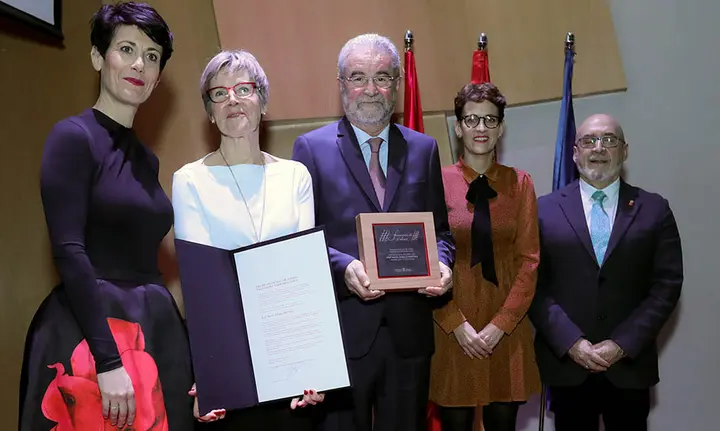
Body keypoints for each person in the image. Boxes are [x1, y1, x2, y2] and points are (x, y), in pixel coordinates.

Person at [18, 3, 194, 430]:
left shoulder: (147, 160)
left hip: (154, 325)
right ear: (99, 58)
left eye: (152, 56)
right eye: (127, 49)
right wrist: (108, 360)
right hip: (93, 336)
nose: (140, 64)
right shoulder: (72, 137)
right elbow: (69, 250)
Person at [291, 33, 456, 431]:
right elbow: (301, 240)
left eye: (382, 77)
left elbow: (442, 233)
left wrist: (445, 265)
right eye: (358, 77)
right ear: (341, 84)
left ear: (397, 85)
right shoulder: (310, 149)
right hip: (343, 334)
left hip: (409, 334)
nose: (370, 89)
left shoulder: (424, 149)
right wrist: (344, 267)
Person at [171, 49, 324, 430]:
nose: (233, 99)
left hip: (291, 363)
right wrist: (211, 373)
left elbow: (306, 276)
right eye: (219, 93)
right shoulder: (190, 180)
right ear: (209, 110)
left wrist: (315, 362)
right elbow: (204, 288)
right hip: (229, 361)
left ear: (264, 102)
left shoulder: (295, 176)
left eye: (244, 88)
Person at [528, 114, 683, 431]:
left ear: (625, 151)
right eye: (589, 140)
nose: (598, 148)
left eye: (609, 140)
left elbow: (666, 286)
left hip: (629, 368)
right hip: (568, 367)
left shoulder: (654, 209)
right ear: (575, 152)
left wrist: (622, 343)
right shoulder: (542, 210)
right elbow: (533, 284)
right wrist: (572, 343)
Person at [429, 82, 541, 430]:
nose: (481, 128)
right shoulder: (434, 181)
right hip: (452, 329)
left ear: (501, 128)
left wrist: (500, 326)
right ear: (458, 127)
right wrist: (455, 325)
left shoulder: (520, 183)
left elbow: (529, 261)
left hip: (506, 331)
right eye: (472, 119)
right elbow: (425, 260)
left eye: (490, 120)